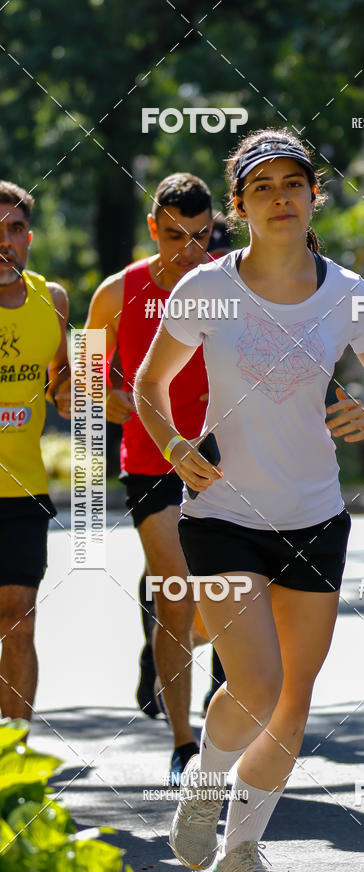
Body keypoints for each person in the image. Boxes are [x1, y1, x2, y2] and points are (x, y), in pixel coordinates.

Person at [135, 130, 364, 872]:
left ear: (313, 196)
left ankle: (240, 856)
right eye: (260, 187)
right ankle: (205, 785)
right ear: (238, 205)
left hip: (316, 517)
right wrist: (170, 444)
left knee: (293, 704)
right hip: (222, 512)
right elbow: (147, 384)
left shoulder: (349, 293)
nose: (278, 197)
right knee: (257, 686)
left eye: (292, 183)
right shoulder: (205, 289)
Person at [81, 173, 224, 783]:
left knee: (227, 598)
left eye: (199, 237)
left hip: (228, 456)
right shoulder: (117, 294)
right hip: (151, 461)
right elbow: (84, 391)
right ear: (152, 228)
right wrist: (139, 407)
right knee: (176, 591)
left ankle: (225, 709)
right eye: (173, 236)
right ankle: (184, 745)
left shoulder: (235, 285)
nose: (187, 252)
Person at [0, 180, 70, 725]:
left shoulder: (54, 300)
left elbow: (63, 384)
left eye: (16, 229)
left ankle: (15, 758)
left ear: (29, 237)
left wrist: (87, 392)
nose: (5, 242)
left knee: (20, 618)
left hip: (24, 491)